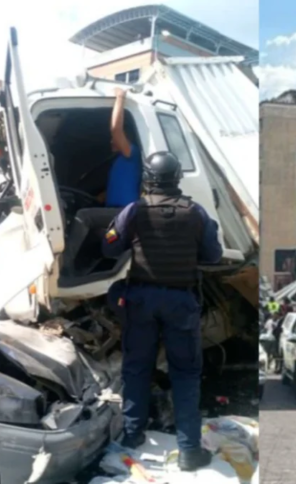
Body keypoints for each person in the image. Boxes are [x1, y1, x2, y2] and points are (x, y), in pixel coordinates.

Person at [101, 151, 222, 470]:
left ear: (147, 179)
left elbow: (109, 246)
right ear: (177, 178)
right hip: (181, 303)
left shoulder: (134, 211)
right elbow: (213, 255)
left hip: (140, 301)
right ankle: (189, 451)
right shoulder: (196, 213)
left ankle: (131, 435)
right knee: (185, 374)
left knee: (137, 368)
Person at [60, 87, 143, 277]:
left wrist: (120, 98)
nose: (111, 142)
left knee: (84, 217)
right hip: (116, 210)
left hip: (125, 212)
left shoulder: (132, 153)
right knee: (86, 224)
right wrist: (101, 196)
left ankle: (65, 266)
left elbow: (115, 129)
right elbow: (121, 185)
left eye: (116, 140)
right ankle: (88, 266)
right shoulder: (121, 162)